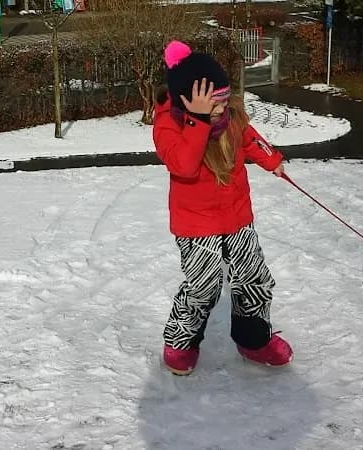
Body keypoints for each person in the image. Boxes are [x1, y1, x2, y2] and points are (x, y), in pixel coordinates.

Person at [152, 40, 293, 376]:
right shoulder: (168, 126)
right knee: (204, 286)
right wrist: (199, 120)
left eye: (224, 100)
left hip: (237, 215)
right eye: (214, 103)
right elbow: (184, 165)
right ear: (187, 101)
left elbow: (249, 138)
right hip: (196, 224)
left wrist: (271, 160)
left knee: (253, 278)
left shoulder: (229, 116)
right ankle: (181, 344)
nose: (222, 108)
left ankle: (253, 340)